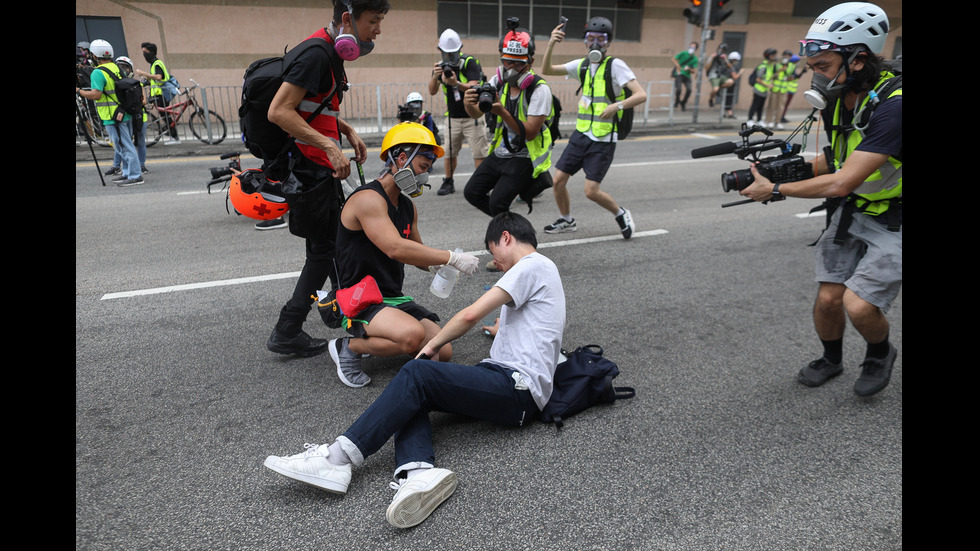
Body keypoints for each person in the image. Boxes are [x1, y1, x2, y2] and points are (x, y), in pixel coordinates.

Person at [264, 211, 566, 529]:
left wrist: (433, 345)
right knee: (410, 395)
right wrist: (500, 330)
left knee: (417, 371)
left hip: (516, 388)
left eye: (494, 254)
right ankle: (418, 472)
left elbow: (468, 316)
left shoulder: (532, 264)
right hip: (508, 383)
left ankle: (338, 458)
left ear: (505, 237)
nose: (497, 263)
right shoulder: (541, 272)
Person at [739, 2, 901, 397]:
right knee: (829, 299)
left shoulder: (895, 105)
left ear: (859, 59)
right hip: (854, 209)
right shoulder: (839, 95)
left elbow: (841, 181)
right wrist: (780, 171)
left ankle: (880, 353)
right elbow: (838, 157)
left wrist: (776, 190)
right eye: (813, 67)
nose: (817, 77)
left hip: (895, 215)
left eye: (824, 67)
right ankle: (832, 358)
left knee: (859, 305)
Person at [265, 0, 389, 358]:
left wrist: (345, 131)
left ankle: (345, 309)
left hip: (320, 162)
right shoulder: (317, 54)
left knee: (332, 246)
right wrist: (329, 148)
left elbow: (315, 106)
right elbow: (279, 111)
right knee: (325, 250)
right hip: (311, 166)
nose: (378, 30)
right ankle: (288, 328)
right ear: (348, 18)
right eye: (374, 21)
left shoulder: (330, 52)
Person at [327, 122, 479, 388]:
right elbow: (395, 247)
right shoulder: (368, 200)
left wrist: (436, 267)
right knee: (411, 336)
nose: (425, 175)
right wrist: (449, 257)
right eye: (422, 167)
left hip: (391, 296)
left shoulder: (407, 207)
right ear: (401, 159)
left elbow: (414, 252)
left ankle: (393, 340)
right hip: (358, 295)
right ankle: (348, 347)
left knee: (442, 351)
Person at [539, 16, 645, 239]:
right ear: (585, 41)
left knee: (591, 192)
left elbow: (641, 94)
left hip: (603, 139)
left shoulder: (616, 66)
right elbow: (547, 69)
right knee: (557, 180)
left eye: (601, 38)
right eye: (590, 38)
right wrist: (551, 43)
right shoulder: (583, 65)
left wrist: (617, 106)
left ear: (608, 42)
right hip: (581, 135)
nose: (595, 43)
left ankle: (620, 213)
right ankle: (567, 220)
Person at [462, 23, 555, 223]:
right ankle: (512, 228)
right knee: (472, 192)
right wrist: (468, 103)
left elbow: (530, 133)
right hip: (502, 150)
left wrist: (502, 112)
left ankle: (510, 236)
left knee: (497, 203)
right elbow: (476, 112)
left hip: (525, 155)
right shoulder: (498, 81)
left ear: (531, 61)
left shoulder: (540, 90)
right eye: (507, 62)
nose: (511, 69)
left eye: (518, 64)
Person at [427, 28, 488, 196]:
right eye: (446, 54)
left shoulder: (469, 62)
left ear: (459, 51)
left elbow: (474, 85)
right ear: (441, 52)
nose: (449, 58)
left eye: (452, 54)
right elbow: (432, 91)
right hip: (452, 118)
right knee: (449, 151)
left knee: (479, 152)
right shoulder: (440, 67)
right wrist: (435, 77)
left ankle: (481, 184)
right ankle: (448, 181)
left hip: (473, 116)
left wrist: (455, 83)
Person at [76, 39, 143, 187]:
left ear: (94, 56)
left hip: (112, 116)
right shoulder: (117, 67)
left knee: (124, 146)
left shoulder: (97, 73)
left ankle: (135, 175)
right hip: (124, 112)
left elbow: (95, 95)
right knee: (123, 145)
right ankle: (126, 172)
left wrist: (79, 91)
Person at [135, 42, 180, 145]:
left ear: (152, 52)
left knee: (165, 116)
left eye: (145, 52)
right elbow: (156, 80)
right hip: (159, 94)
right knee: (165, 115)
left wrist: (143, 73)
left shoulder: (156, 63)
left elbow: (159, 77)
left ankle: (174, 137)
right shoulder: (154, 64)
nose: (144, 55)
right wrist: (148, 81)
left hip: (162, 95)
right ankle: (172, 134)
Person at [399, 91, 441, 168]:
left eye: (418, 104)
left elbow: (429, 132)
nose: (416, 108)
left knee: (433, 144)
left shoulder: (426, 116)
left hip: (424, 138)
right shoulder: (405, 115)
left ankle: (428, 163)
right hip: (410, 138)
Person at [746, 48, 777, 126]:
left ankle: (759, 120)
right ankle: (749, 119)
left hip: (764, 90)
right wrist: (768, 85)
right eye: (772, 55)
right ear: (768, 56)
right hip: (758, 89)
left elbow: (768, 77)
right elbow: (758, 79)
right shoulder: (763, 66)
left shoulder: (770, 66)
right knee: (755, 105)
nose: (774, 57)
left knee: (761, 106)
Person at [705, 43, 735, 108]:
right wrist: (712, 58)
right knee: (715, 89)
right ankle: (711, 99)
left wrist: (725, 60)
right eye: (721, 49)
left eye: (723, 50)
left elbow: (730, 67)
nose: (721, 51)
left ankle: (718, 88)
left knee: (731, 82)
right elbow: (706, 68)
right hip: (714, 75)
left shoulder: (724, 57)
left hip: (722, 76)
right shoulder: (712, 56)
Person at [671, 42, 698, 111]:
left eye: (693, 47)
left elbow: (694, 71)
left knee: (689, 90)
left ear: (696, 49)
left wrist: (689, 68)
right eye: (690, 47)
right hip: (679, 74)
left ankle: (683, 102)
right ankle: (677, 101)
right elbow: (673, 59)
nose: (691, 49)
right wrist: (678, 66)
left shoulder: (695, 59)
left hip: (687, 75)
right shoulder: (683, 53)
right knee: (679, 89)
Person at [722, 51, 743, 119]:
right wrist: (740, 72)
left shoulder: (727, 65)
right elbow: (735, 77)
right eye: (736, 60)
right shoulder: (731, 66)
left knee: (726, 98)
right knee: (729, 98)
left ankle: (724, 112)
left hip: (726, 83)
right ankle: (729, 113)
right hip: (729, 84)